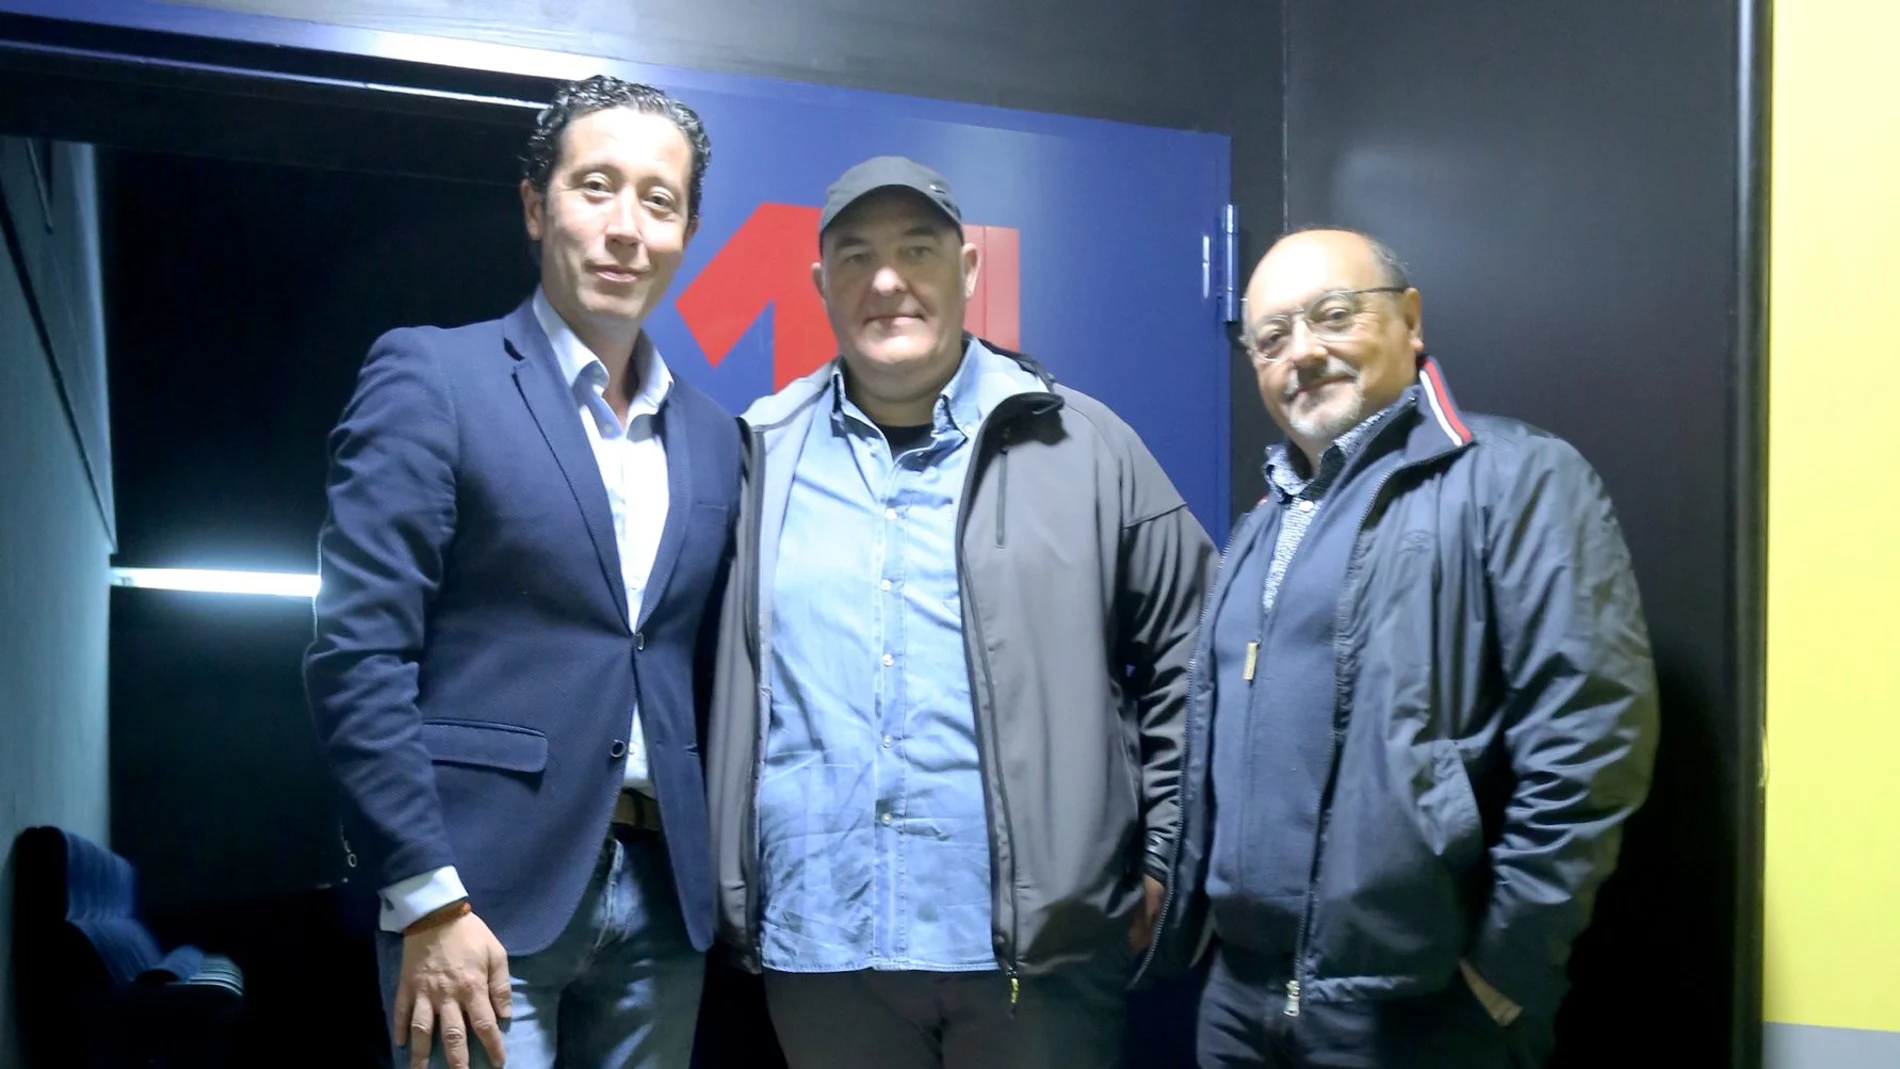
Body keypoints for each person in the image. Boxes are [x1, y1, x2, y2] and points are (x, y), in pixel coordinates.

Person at [703, 156, 1215, 1069]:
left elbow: (1197, 647)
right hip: (823, 950)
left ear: (969, 270)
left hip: (1037, 958)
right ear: (821, 285)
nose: (887, 280)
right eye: (856, 257)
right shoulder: (755, 456)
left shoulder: (1086, 445)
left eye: (917, 250)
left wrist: (1167, 852)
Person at [304, 75, 741, 1069]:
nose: (625, 226)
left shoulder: (717, 440)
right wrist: (423, 891)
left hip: (664, 902)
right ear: (536, 205)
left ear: (687, 231)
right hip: (475, 897)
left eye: (658, 200)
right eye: (596, 185)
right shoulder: (433, 377)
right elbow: (357, 655)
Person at [1149, 227, 1659, 1068]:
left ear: (1410, 319)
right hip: (1241, 1000)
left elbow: (1590, 743)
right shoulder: (1260, 527)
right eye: (1271, 339)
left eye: (1333, 316)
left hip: (1417, 1007)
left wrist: (1502, 970)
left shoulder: (1514, 478)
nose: (1302, 353)